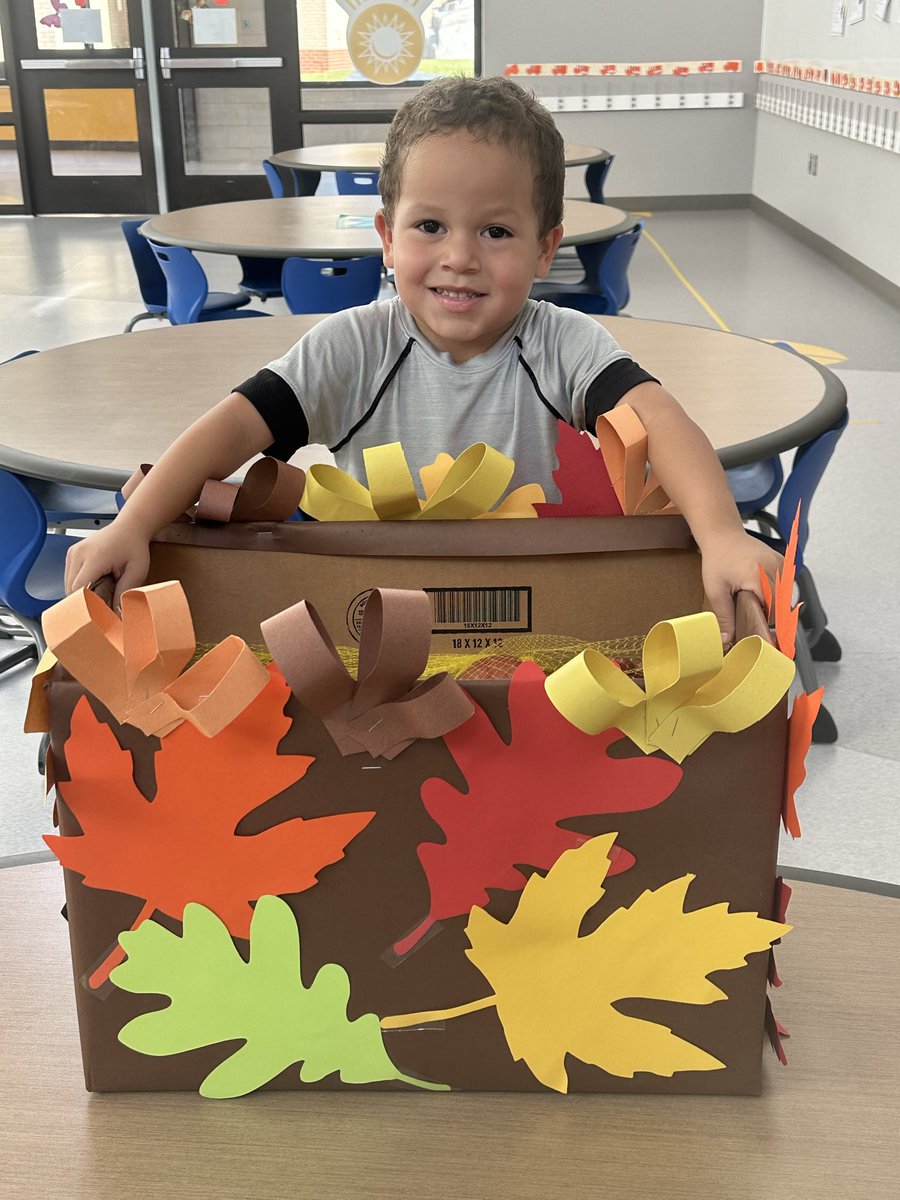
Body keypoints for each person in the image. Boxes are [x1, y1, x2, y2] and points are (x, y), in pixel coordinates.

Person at [65, 75, 781, 643]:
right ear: (386, 236)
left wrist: (719, 533)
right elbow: (228, 430)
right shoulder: (353, 347)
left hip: (526, 616)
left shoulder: (563, 343)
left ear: (544, 248)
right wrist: (133, 525)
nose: (460, 258)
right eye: (430, 225)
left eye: (496, 230)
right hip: (376, 619)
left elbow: (661, 418)